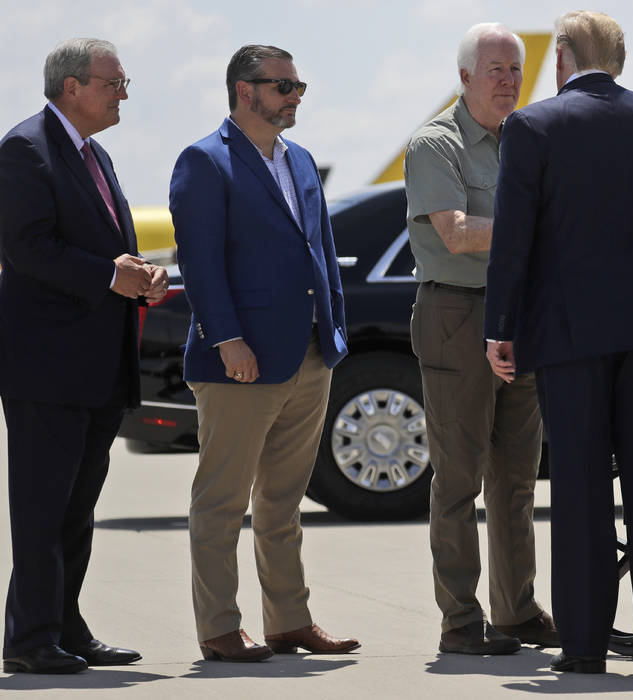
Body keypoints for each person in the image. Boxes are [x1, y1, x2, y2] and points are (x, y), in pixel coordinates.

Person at [484, 11, 633, 674]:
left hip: (569, 331)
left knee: (580, 491)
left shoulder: (533, 125)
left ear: (566, 57)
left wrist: (500, 327)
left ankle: (584, 648)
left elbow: (513, 236)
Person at [170, 44, 357, 662]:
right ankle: (220, 628)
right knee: (222, 503)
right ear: (245, 91)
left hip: (306, 355)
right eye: (284, 86)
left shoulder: (300, 160)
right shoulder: (205, 161)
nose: (295, 96)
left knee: (282, 503)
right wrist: (227, 340)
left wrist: (332, 333)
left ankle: (289, 621)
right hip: (239, 361)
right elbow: (200, 262)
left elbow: (321, 252)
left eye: (300, 86)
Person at [0, 38, 166, 674]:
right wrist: (108, 276)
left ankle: (64, 627)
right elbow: (27, 249)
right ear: (72, 87)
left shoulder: (95, 154)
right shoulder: (26, 148)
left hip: (96, 367)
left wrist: (139, 276)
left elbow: (108, 250)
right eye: (113, 82)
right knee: (42, 509)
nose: (122, 93)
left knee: (76, 508)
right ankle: (30, 638)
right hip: (48, 367)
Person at [404, 22, 553, 656]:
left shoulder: (527, 141)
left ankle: (516, 612)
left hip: (522, 317)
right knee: (459, 479)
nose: (508, 81)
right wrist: (541, 227)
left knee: (517, 481)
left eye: (515, 71)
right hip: (458, 317)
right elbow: (458, 234)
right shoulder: (435, 143)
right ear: (464, 77)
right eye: (495, 70)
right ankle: (461, 621)